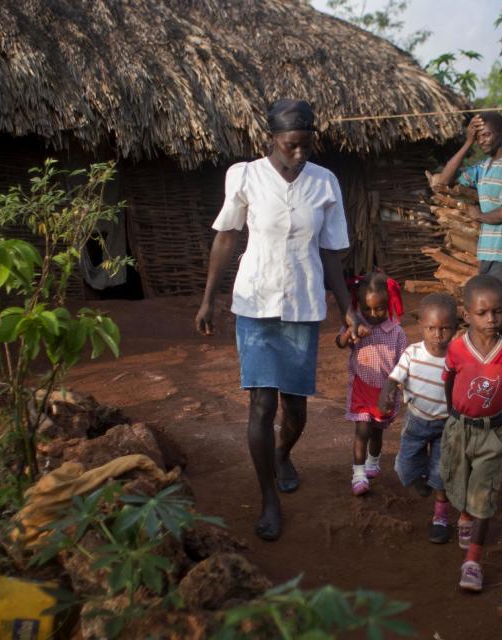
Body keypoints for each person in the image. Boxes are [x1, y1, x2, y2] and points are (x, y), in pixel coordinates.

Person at [195, 99, 365, 541]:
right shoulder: (246, 176)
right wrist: (209, 298)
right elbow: (227, 236)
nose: (300, 154)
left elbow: (331, 252)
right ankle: (269, 498)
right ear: (272, 139)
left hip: (304, 305)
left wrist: (346, 305)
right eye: (292, 145)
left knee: (296, 409)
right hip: (255, 303)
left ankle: (283, 452)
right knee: (262, 404)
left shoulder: (325, 183)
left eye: (307, 145)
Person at [433, 112, 502, 406]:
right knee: (501, 322)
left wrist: (478, 215)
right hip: (489, 253)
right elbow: (443, 180)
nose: (482, 140)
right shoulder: (483, 167)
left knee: (500, 322)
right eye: (479, 136)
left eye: (487, 134)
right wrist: (466, 142)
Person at [441, 274, 502, 592]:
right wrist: (452, 410)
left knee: (485, 492)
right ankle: (463, 513)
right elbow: (449, 378)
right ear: (467, 315)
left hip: (493, 432)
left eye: (498, 311)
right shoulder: (457, 349)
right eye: (482, 313)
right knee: (459, 480)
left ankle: (473, 562)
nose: (491, 319)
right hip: (460, 428)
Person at [380, 292, 458, 544]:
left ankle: (440, 515)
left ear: (456, 328)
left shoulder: (458, 358)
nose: (438, 334)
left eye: (445, 328)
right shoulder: (412, 353)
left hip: (448, 424)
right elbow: (394, 379)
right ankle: (420, 480)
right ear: (421, 326)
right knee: (404, 468)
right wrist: (387, 395)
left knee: (442, 472)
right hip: (416, 421)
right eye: (431, 328)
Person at [337, 272, 407, 496]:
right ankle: (358, 474)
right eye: (367, 309)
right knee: (362, 429)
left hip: (384, 392)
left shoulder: (396, 332)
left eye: (379, 309)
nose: (373, 314)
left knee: (376, 432)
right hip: (362, 386)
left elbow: (404, 363)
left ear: (389, 304)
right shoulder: (356, 322)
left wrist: (398, 389)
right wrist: (350, 332)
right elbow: (339, 343)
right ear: (359, 305)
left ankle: (373, 461)